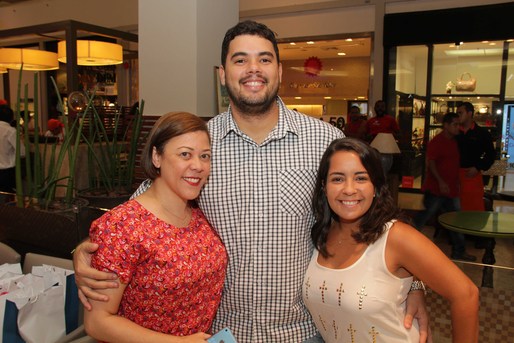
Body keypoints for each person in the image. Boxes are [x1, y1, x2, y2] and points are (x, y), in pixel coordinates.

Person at [73, 20, 431, 342]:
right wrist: (83, 252)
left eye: (264, 58)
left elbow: (373, 217)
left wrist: (411, 280)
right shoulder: (199, 146)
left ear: (278, 70)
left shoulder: (323, 142)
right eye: (240, 60)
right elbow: (138, 214)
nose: (253, 69)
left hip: (303, 331)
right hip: (222, 332)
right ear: (222, 74)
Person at [304, 137, 479, 343]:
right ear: (324, 187)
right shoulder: (320, 233)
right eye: (337, 179)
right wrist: (414, 285)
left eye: (361, 178)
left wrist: (415, 284)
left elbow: (466, 295)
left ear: (376, 186)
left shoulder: (396, 236)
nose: (349, 189)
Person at [83, 112, 227, 342]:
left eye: (205, 156)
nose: (198, 166)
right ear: (156, 157)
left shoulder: (199, 214)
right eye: (185, 154)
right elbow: (97, 322)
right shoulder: (122, 226)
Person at [413, 112, 476, 261]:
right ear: (446, 126)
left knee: (456, 220)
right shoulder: (437, 141)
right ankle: (405, 245)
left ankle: (459, 252)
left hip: (451, 189)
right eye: (455, 124)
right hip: (436, 189)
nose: (458, 127)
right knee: (424, 217)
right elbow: (431, 163)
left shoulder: (454, 141)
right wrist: (441, 181)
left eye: (458, 124)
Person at [455, 101, 495, 211]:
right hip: (453, 177)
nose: (458, 116)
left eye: (460, 113)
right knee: (454, 211)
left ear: (469, 113)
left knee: (473, 209)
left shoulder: (482, 133)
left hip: (471, 176)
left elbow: (491, 155)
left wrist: (478, 167)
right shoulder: (454, 133)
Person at [0, 103, 24, 203]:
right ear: (11, 118)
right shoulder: (11, 131)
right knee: (8, 203)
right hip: (7, 173)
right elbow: (22, 152)